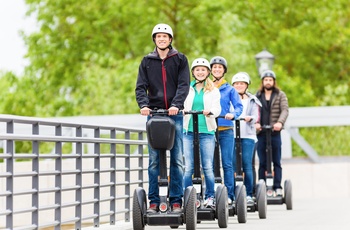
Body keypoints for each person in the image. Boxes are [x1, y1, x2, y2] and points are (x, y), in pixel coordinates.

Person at [135, 23, 190, 213]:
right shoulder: (147, 61)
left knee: (177, 160)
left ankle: (175, 200)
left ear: (170, 39)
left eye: (165, 37)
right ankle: (154, 201)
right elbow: (140, 87)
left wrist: (176, 105)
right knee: (154, 161)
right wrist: (144, 105)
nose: (161, 39)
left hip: (175, 115)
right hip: (154, 116)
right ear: (154, 39)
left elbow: (184, 85)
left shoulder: (180, 59)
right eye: (158, 37)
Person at [183, 58, 221, 207]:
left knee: (207, 167)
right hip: (189, 131)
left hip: (207, 132)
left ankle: (209, 197)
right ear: (193, 72)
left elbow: (217, 109)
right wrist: (182, 110)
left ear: (208, 72)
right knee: (189, 167)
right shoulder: (186, 88)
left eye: (203, 70)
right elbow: (179, 103)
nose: (200, 72)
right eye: (197, 70)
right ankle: (187, 196)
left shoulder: (213, 90)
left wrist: (210, 112)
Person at [210, 56, 243, 204]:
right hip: (209, 129)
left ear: (224, 70)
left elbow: (238, 106)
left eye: (220, 67)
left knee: (227, 163)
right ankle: (210, 194)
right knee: (209, 163)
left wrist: (233, 114)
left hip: (225, 129)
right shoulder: (206, 87)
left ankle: (229, 195)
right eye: (214, 67)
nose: (217, 69)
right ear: (211, 70)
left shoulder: (229, 89)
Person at [255, 69, 289, 196]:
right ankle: (262, 187)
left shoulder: (280, 95)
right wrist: (256, 123)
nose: (268, 82)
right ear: (262, 82)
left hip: (274, 133)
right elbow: (254, 111)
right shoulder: (257, 95)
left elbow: (285, 110)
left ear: (274, 82)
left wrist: (280, 123)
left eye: (270, 80)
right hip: (261, 132)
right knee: (262, 162)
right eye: (266, 80)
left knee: (276, 161)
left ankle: (277, 186)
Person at [231, 72, 262, 205]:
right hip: (231, 135)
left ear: (246, 85)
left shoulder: (252, 100)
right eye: (237, 84)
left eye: (242, 84)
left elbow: (256, 115)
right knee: (231, 165)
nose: (239, 86)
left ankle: (249, 194)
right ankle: (231, 194)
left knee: (246, 164)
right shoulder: (230, 98)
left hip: (248, 135)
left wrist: (252, 118)